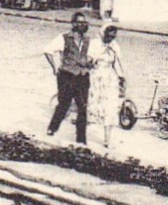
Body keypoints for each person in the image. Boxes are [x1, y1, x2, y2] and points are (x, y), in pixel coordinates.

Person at [44, 11, 94, 145]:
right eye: (80, 23)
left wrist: (90, 64)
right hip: (67, 75)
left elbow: (92, 56)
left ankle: (81, 139)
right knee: (64, 104)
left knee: (82, 107)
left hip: (83, 76)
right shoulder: (64, 38)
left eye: (84, 23)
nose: (83, 25)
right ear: (73, 24)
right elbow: (48, 51)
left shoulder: (88, 40)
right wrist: (55, 67)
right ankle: (52, 128)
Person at [86, 24, 126, 149]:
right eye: (108, 36)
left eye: (113, 36)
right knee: (91, 107)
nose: (110, 39)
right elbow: (88, 62)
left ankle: (107, 139)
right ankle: (82, 134)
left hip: (110, 79)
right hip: (95, 78)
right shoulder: (94, 44)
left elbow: (118, 64)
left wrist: (122, 78)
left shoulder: (114, 46)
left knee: (110, 108)